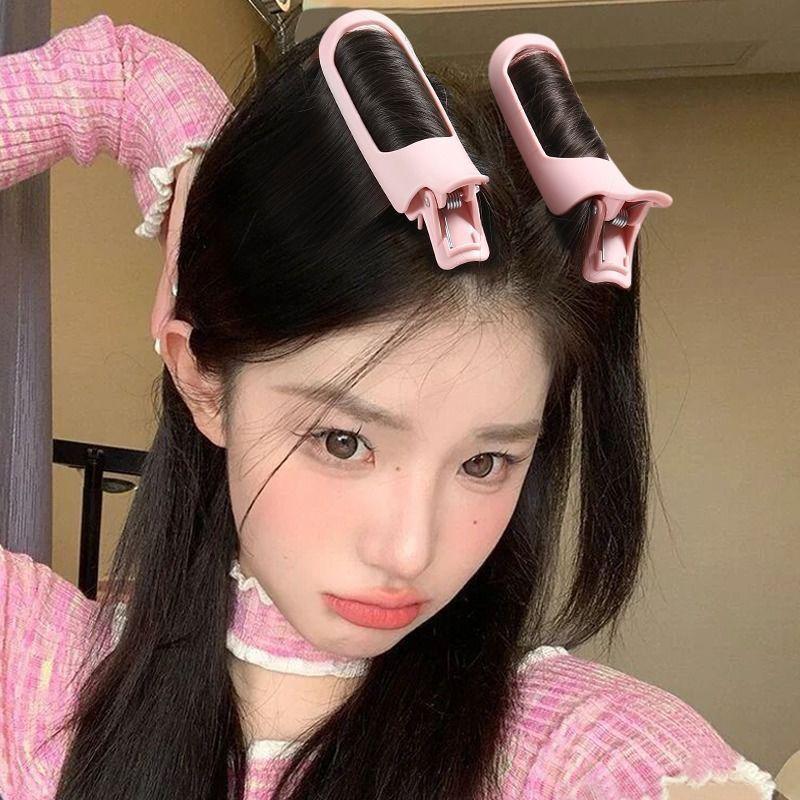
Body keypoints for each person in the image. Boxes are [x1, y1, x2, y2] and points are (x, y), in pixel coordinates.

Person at [0, 10, 777, 800]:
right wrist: (202, 179)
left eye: (485, 462)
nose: (409, 552)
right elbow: (119, 76)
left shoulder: (572, 748)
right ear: (203, 380)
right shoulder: (30, 675)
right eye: (344, 441)